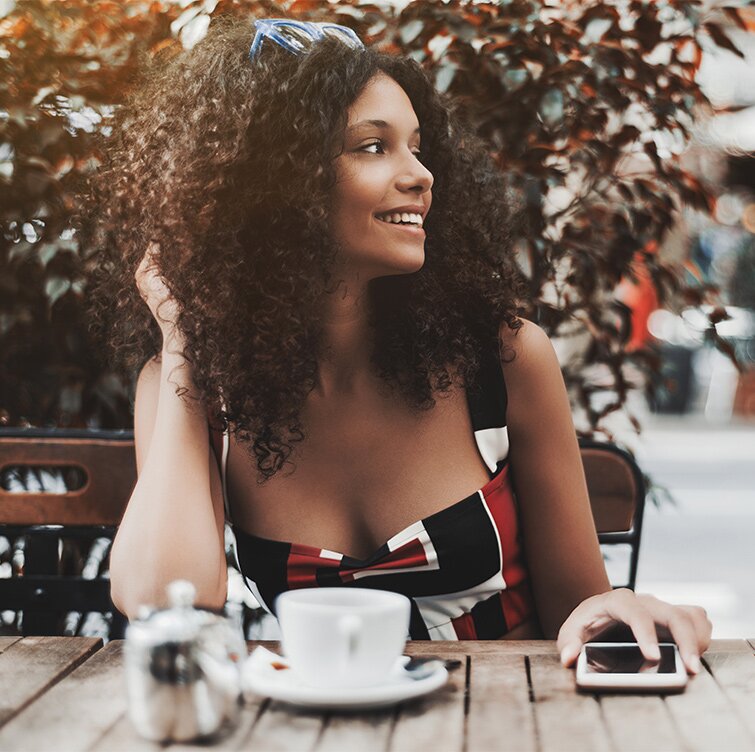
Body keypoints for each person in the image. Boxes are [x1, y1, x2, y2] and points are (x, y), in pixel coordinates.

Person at [86, 16, 711, 672]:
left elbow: (578, 608)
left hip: (506, 724)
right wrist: (185, 342)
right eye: (372, 147)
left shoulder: (499, 362)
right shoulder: (190, 385)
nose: (420, 176)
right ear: (273, 184)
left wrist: (623, 608)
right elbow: (161, 603)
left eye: (416, 147)